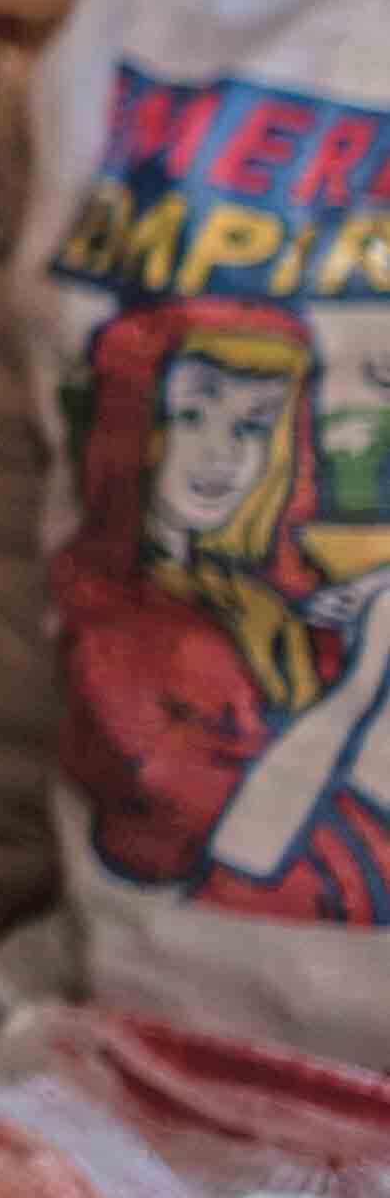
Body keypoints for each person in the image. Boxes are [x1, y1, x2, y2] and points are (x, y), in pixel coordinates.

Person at [54, 294, 390, 918]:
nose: (222, 456)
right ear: (134, 426)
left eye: (251, 428)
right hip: (221, 925)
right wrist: (363, 681)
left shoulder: (262, 601)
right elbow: (237, 854)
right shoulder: (115, 638)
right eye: (190, 417)